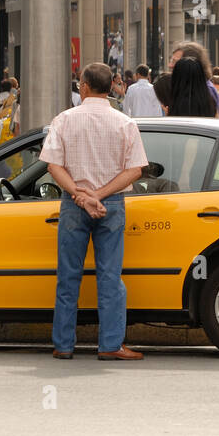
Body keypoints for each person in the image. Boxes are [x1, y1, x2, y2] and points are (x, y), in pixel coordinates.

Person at [41, 62, 147, 361]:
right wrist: (99, 196)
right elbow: (135, 170)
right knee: (110, 277)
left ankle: (63, 344)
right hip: (110, 204)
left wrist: (80, 194)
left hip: (74, 204)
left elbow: (53, 165)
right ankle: (111, 344)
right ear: (112, 86)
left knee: (68, 276)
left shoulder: (64, 119)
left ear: (83, 86)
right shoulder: (124, 123)